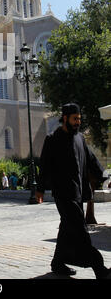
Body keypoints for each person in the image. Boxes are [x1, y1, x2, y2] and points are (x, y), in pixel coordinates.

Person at [36, 103, 111, 279]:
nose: (78, 122)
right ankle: (99, 268)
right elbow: (44, 166)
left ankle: (58, 262)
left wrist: (107, 177)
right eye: (74, 119)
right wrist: (39, 189)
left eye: (79, 119)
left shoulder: (79, 138)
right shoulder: (52, 139)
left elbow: (92, 161)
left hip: (78, 193)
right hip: (63, 194)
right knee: (80, 230)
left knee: (66, 228)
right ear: (65, 118)